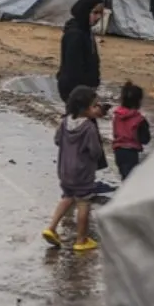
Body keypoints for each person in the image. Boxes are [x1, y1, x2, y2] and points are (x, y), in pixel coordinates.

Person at [42, 86, 105, 252]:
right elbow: (96, 152)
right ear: (85, 109)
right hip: (82, 173)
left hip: (64, 170)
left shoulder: (64, 122)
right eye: (94, 105)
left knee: (67, 197)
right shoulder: (89, 128)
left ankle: (51, 228)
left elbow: (57, 140)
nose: (98, 108)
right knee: (83, 203)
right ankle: (81, 239)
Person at [57, 0, 105, 105]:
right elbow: (73, 69)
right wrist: (82, 94)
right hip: (75, 91)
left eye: (101, 13)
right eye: (95, 13)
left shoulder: (86, 31)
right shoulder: (75, 35)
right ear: (85, 11)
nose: (99, 17)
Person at [112, 81, 151, 180]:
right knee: (130, 178)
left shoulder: (117, 116)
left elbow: (115, 133)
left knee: (124, 175)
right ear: (138, 102)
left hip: (118, 151)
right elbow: (145, 139)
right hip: (131, 153)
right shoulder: (139, 119)